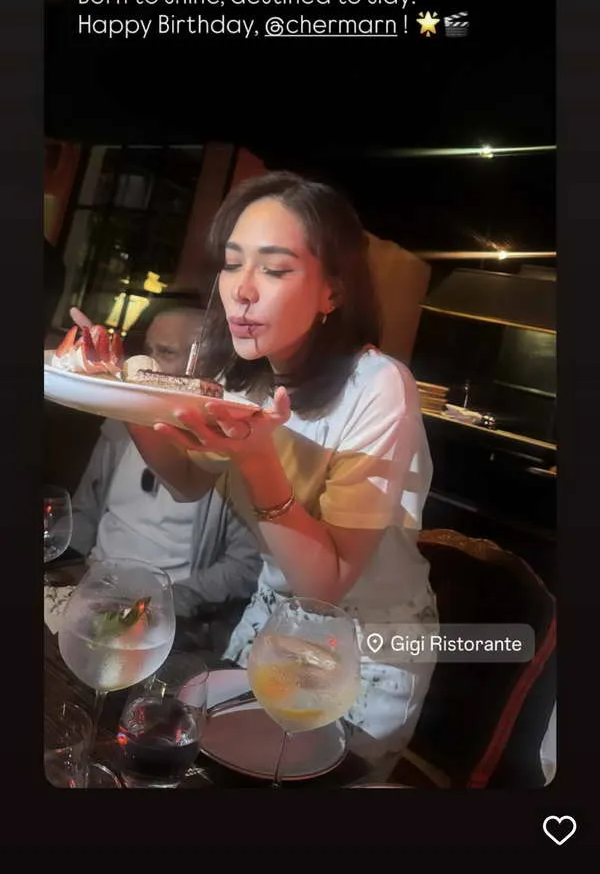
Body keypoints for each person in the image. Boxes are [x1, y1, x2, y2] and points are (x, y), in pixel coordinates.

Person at [72, 171, 438, 775]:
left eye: (274, 268)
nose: (240, 290)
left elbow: (327, 584)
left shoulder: (377, 386)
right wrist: (121, 393)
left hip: (364, 649)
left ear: (333, 291)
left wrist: (257, 458)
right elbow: (187, 481)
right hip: (270, 618)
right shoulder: (246, 379)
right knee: (224, 776)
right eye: (232, 263)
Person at [69, 306, 262, 658]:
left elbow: (244, 566)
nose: (148, 364)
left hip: (173, 615)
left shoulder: (225, 450)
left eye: (166, 353)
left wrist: (165, 602)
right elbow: (85, 511)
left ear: (205, 368)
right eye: (148, 350)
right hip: (92, 587)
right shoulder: (119, 427)